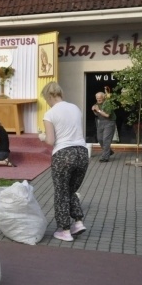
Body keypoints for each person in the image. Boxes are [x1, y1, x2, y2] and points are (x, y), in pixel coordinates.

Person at [40, 82, 89, 242]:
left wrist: (40, 137)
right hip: (82, 153)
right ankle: (79, 221)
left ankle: (65, 230)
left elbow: (50, 140)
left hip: (63, 154)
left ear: (48, 96)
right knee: (70, 190)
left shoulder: (50, 114)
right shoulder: (75, 108)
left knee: (61, 192)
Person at [91, 91, 116, 162]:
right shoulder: (97, 104)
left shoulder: (107, 104)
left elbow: (107, 115)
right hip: (101, 122)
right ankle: (109, 151)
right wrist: (94, 110)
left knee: (106, 140)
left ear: (103, 97)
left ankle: (105, 157)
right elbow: (97, 115)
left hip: (109, 122)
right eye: (97, 98)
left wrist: (98, 110)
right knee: (100, 139)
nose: (98, 99)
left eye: (100, 98)